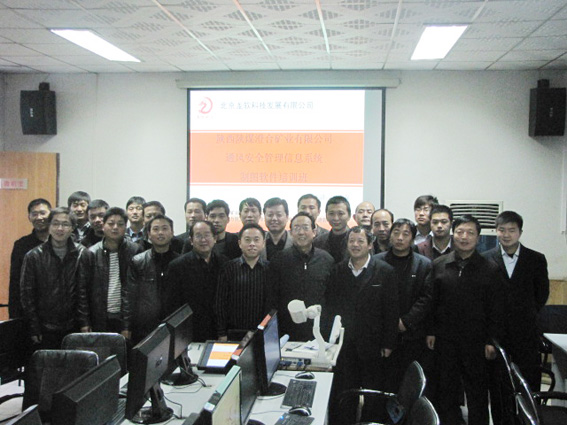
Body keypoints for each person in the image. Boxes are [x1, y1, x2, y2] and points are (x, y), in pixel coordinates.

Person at [427, 215, 504, 425]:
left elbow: (496, 309)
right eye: (460, 232)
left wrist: (491, 340)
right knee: (447, 390)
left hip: (476, 341)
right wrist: (431, 331)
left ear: (478, 238)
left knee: (477, 391)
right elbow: (432, 302)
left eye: (470, 233)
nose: (464, 237)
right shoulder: (440, 264)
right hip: (446, 339)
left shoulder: (490, 268)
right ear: (453, 235)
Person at [325, 226, 398, 425]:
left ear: (370, 245)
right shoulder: (338, 270)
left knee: (372, 393)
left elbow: (391, 310)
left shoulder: (385, 271)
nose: (355, 245)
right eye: (352, 241)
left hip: (374, 344)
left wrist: (389, 343)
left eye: (360, 241)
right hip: (344, 344)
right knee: (346, 391)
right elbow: (331, 307)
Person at [483, 211, 549, 392]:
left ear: (520, 232)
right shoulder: (485, 259)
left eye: (511, 230)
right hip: (496, 332)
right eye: (502, 230)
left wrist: (524, 312)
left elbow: (541, 294)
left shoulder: (536, 259)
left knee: (528, 382)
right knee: (497, 383)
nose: (506, 235)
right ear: (496, 231)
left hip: (526, 331)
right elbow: (484, 297)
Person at [20, 207, 91, 350]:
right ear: (49, 226)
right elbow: (27, 294)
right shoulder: (34, 256)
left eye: (65, 224)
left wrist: (85, 322)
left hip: (75, 325)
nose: (60, 228)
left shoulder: (82, 254)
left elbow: (85, 291)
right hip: (45, 327)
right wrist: (34, 326)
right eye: (55, 223)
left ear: (72, 228)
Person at [375, 219, 433, 393]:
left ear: (413, 239)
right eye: (396, 232)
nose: (400, 238)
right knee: (383, 382)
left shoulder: (424, 264)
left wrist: (405, 321)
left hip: (412, 335)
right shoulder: (376, 262)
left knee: (410, 384)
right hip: (382, 334)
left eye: (405, 234)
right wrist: (388, 323)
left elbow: (426, 298)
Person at [270, 212, 334, 341]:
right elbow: (272, 297)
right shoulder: (279, 260)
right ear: (291, 233)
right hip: (287, 330)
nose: (301, 232)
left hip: (319, 329)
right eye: (296, 228)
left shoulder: (326, 259)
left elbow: (332, 297)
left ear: (314, 232)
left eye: (305, 227)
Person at [168, 220, 229, 341]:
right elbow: (172, 305)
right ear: (191, 240)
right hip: (188, 331)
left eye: (207, 235)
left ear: (215, 238)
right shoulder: (177, 266)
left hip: (218, 329)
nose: (203, 240)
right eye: (198, 236)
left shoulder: (224, 263)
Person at [124, 215, 179, 344]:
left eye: (165, 228)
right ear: (148, 234)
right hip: (144, 326)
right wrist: (126, 327)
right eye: (156, 229)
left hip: (174, 324)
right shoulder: (138, 261)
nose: (160, 233)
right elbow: (129, 296)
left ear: (172, 233)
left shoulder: (180, 262)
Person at [87, 207, 143, 334]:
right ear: (103, 226)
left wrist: (127, 324)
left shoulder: (135, 250)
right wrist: (85, 322)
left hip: (126, 316)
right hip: (99, 317)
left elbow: (137, 290)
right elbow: (84, 290)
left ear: (126, 227)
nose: (115, 227)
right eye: (111, 223)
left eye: (120, 224)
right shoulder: (91, 253)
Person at [215, 223, 270, 340]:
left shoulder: (270, 269)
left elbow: (272, 305)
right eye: (247, 240)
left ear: (263, 243)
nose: (252, 244)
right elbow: (220, 303)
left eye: (256, 240)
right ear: (240, 243)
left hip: (262, 333)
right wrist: (221, 333)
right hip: (233, 332)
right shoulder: (228, 268)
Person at [9, 198, 52, 319]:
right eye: (34, 214)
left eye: (43, 213)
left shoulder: (61, 242)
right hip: (29, 310)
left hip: (57, 311)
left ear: (51, 215)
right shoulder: (21, 245)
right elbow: (15, 281)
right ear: (29, 217)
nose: (39, 217)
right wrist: (14, 315)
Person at [313, 196, 351, 263]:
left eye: (340, 213)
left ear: (349, 216)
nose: (336, 218)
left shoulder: (357, 241)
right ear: (326, 216)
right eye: (331, 214)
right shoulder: (318, 242)